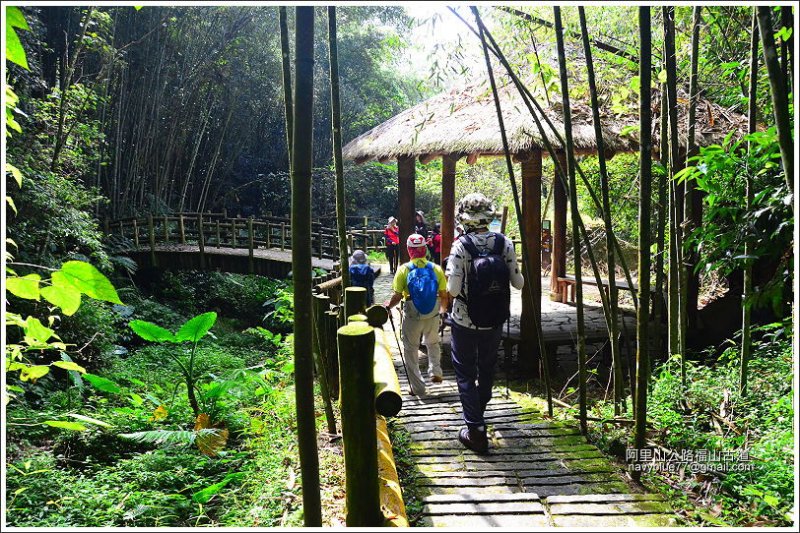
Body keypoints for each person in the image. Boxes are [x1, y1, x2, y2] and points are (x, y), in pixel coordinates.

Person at [445, 193, 524, 454]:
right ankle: (478, 411)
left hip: (464, 320)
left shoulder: (460, 246)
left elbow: (453, 290)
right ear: (489, 217)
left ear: (463, 219)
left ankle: (476, 430)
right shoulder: (504, 243)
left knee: (465, 373)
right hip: (494, 319)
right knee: (487, 368)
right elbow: (518, 283)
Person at [383, 234, 447, 396]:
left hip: (412, 313)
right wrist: (442, 311)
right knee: (433, 343)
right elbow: (444, 294)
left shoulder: (404, 270)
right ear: (425, 249)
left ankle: (418, 387)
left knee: (410, 349)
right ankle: (435, 371)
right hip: (433, 311)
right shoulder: (436, 269)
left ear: (409, 250)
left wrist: (388, 306)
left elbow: (397, 296)